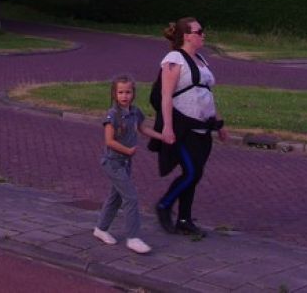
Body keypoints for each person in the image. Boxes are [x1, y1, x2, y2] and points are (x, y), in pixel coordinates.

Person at [155, 16, 227, 237]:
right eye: (199, 32)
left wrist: (219, 123)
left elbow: (207, 94)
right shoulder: (174, 59)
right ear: (186, 36)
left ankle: (184, 219)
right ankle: (164, 205)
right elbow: (166, 95)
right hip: (183, 129)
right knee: (191, 172)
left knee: (195, 175)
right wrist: (167, 127)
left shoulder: (201, 60)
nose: (203, 35)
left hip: (203, 128)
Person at [92, 75, 164, 255]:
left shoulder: (135, 112)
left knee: (115, 197)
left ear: (133, 93)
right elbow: (109, 141)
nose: (124, 96)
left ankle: (101, 228)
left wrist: (162, 137)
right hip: (113, 162)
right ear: (114, 94)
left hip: (125, 163)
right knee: (131, 197)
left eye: (128, 92)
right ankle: (133, 237)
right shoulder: (112, 115)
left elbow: (142, 128)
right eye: (121, 92)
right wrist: (127, 150)